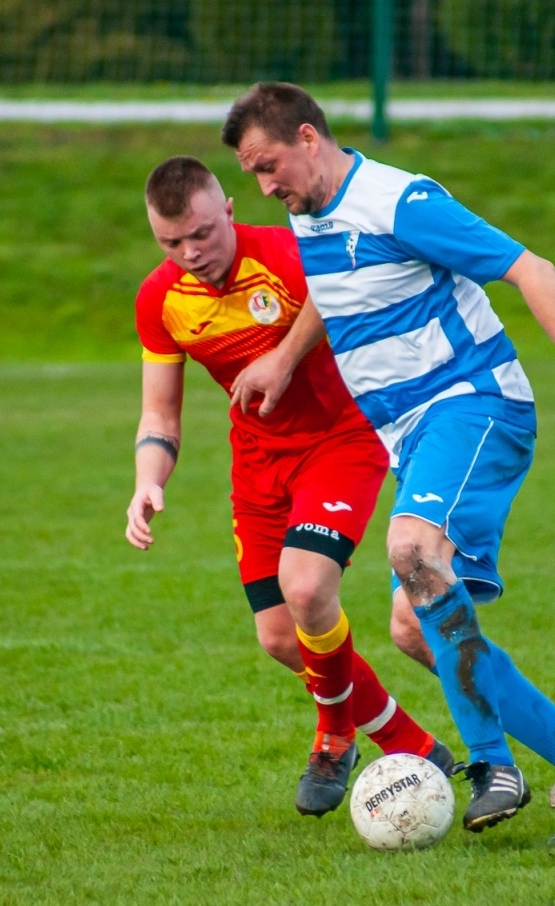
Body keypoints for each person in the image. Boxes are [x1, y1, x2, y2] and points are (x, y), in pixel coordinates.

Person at [220, 83, 555, 844]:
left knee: (411, 550)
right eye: (253, 174)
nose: (265, 186)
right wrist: (284, 358)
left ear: (308, 137)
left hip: (473, 404)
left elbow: (532, 268)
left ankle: (493, 766)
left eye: (268, 165)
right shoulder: (310, 210)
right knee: (416, 628)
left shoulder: (400, 202)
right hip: (411, 436)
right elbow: (333, 291)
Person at [127, 155, 454, 817]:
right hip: (257, 466)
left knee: (306, 590)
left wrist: (282, 357)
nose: (191, 253)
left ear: (228, 210)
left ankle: (335, 736)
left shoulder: (288, 253)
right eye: (171, 242)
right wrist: (146, 482)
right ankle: (412, 743)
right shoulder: (160, 299)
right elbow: (160, 414)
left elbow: (343, 294)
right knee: (281, 637)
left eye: (202, 234)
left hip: (341, 440)